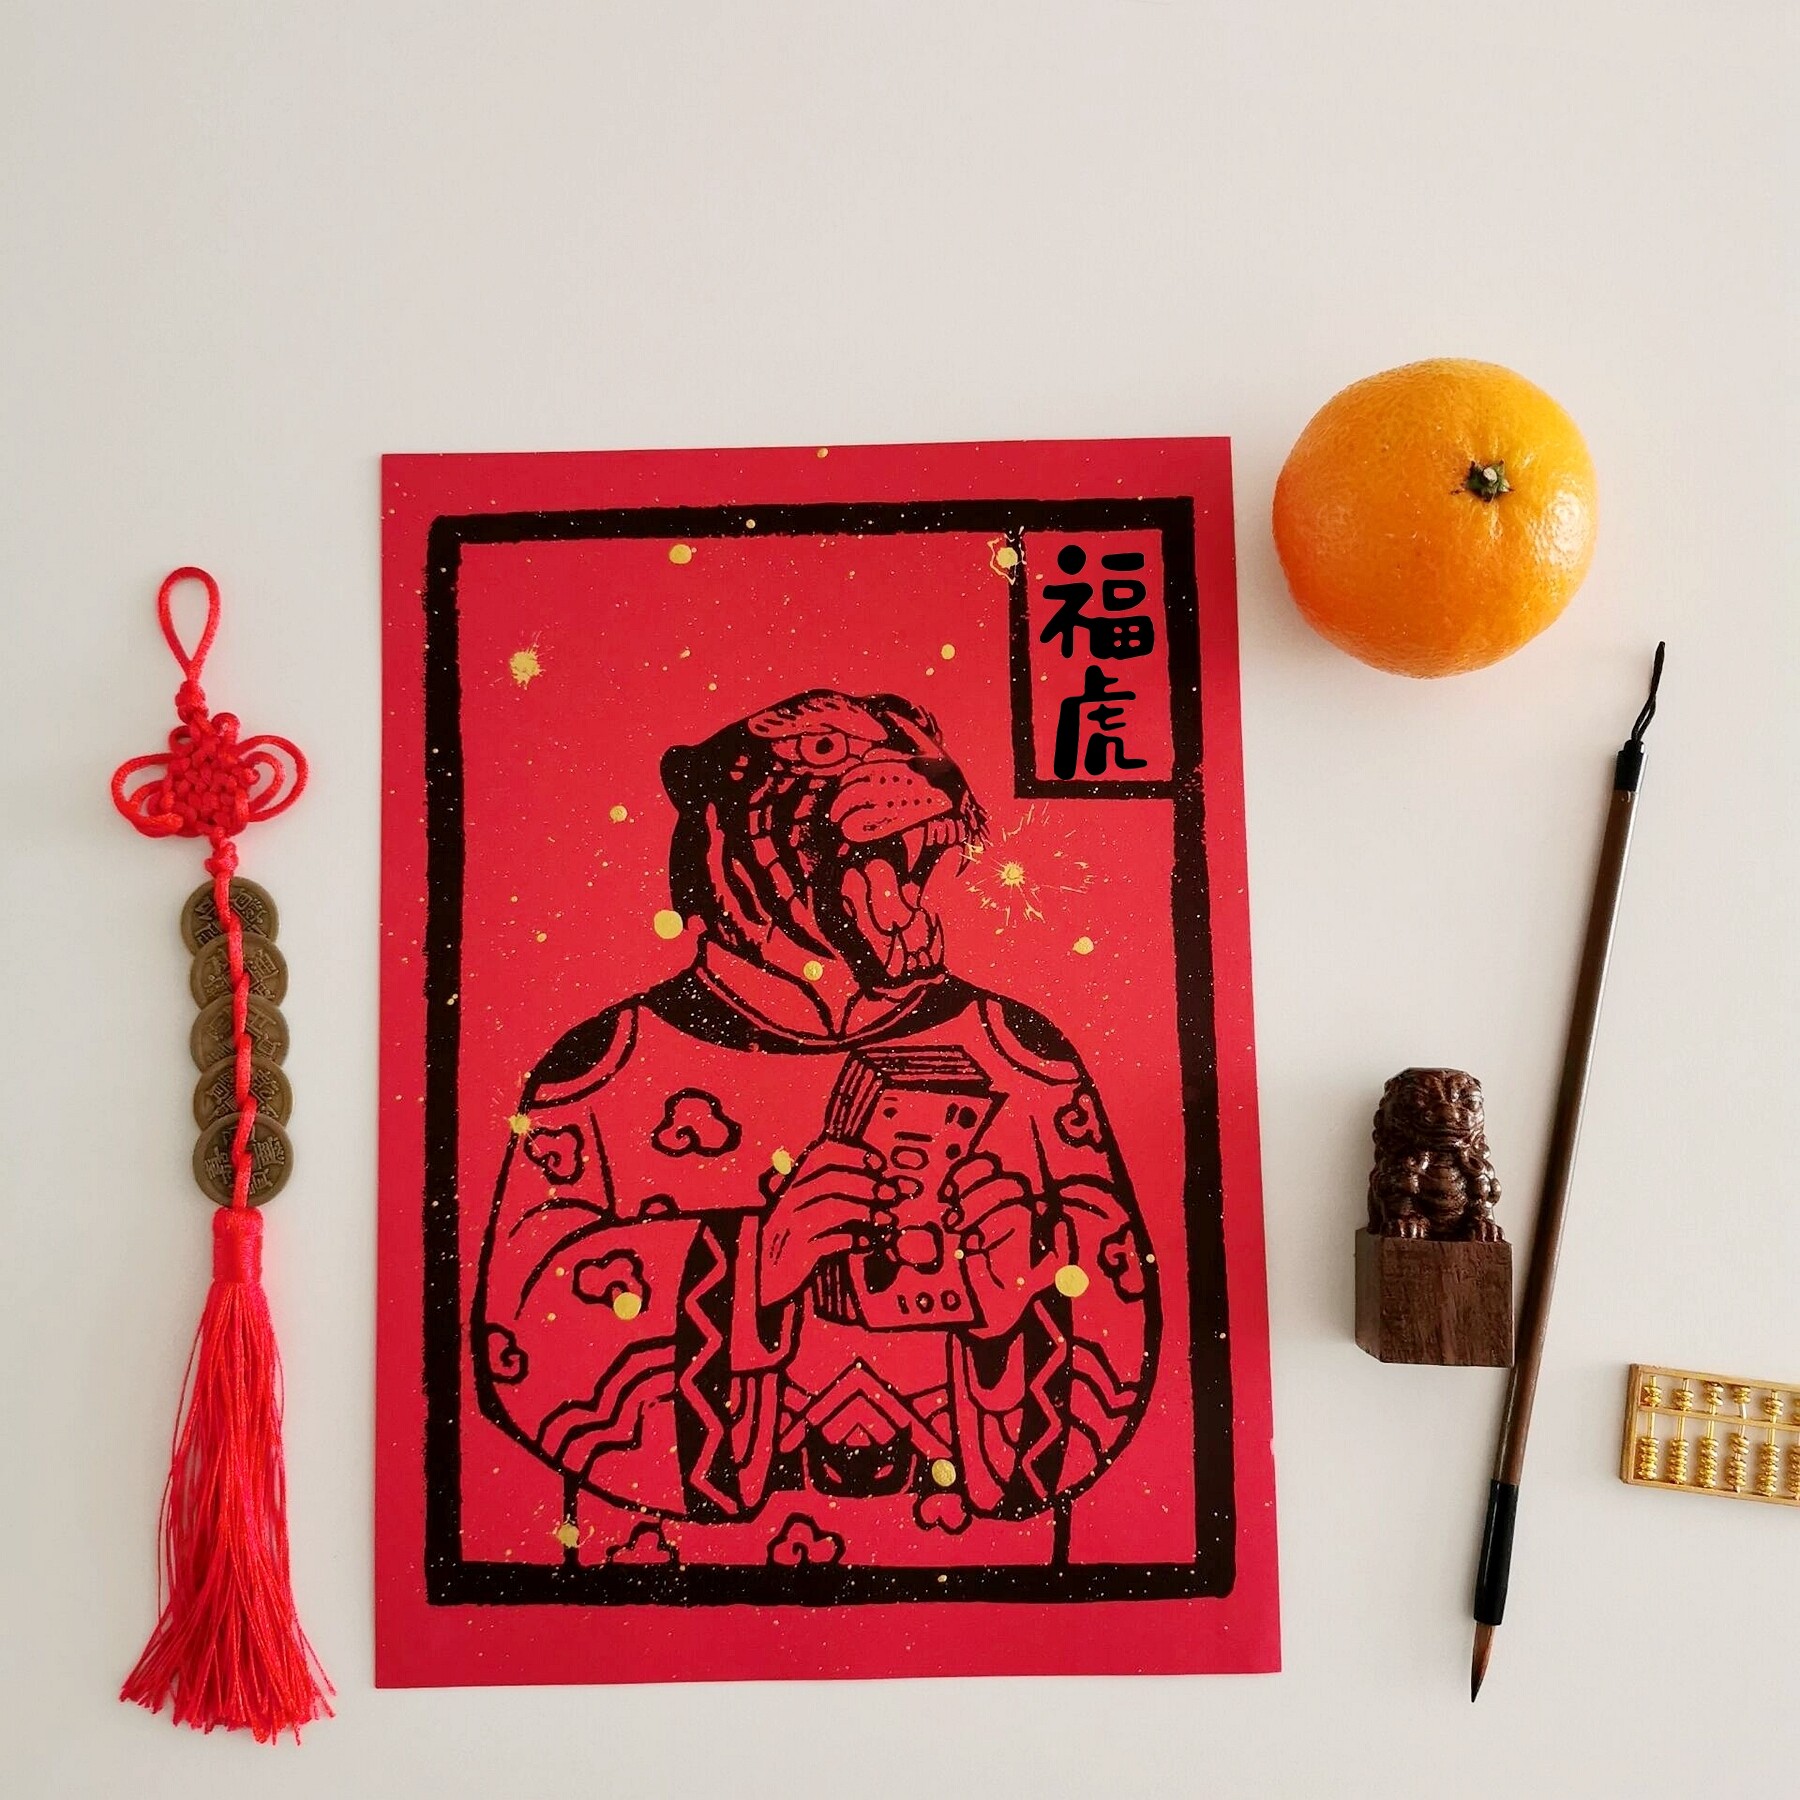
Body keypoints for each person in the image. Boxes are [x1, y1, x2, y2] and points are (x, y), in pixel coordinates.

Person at [475, 691, 1156, 1566]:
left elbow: (1119, 1326)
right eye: (828, 752)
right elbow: (524, 1335)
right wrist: (750, 1269)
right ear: (729, 824)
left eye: (917, 747)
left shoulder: (1020, 1056)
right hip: (663, 1565)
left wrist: (1018, 1309)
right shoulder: (601, 1067)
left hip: (980, 1564)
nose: (921, 771)